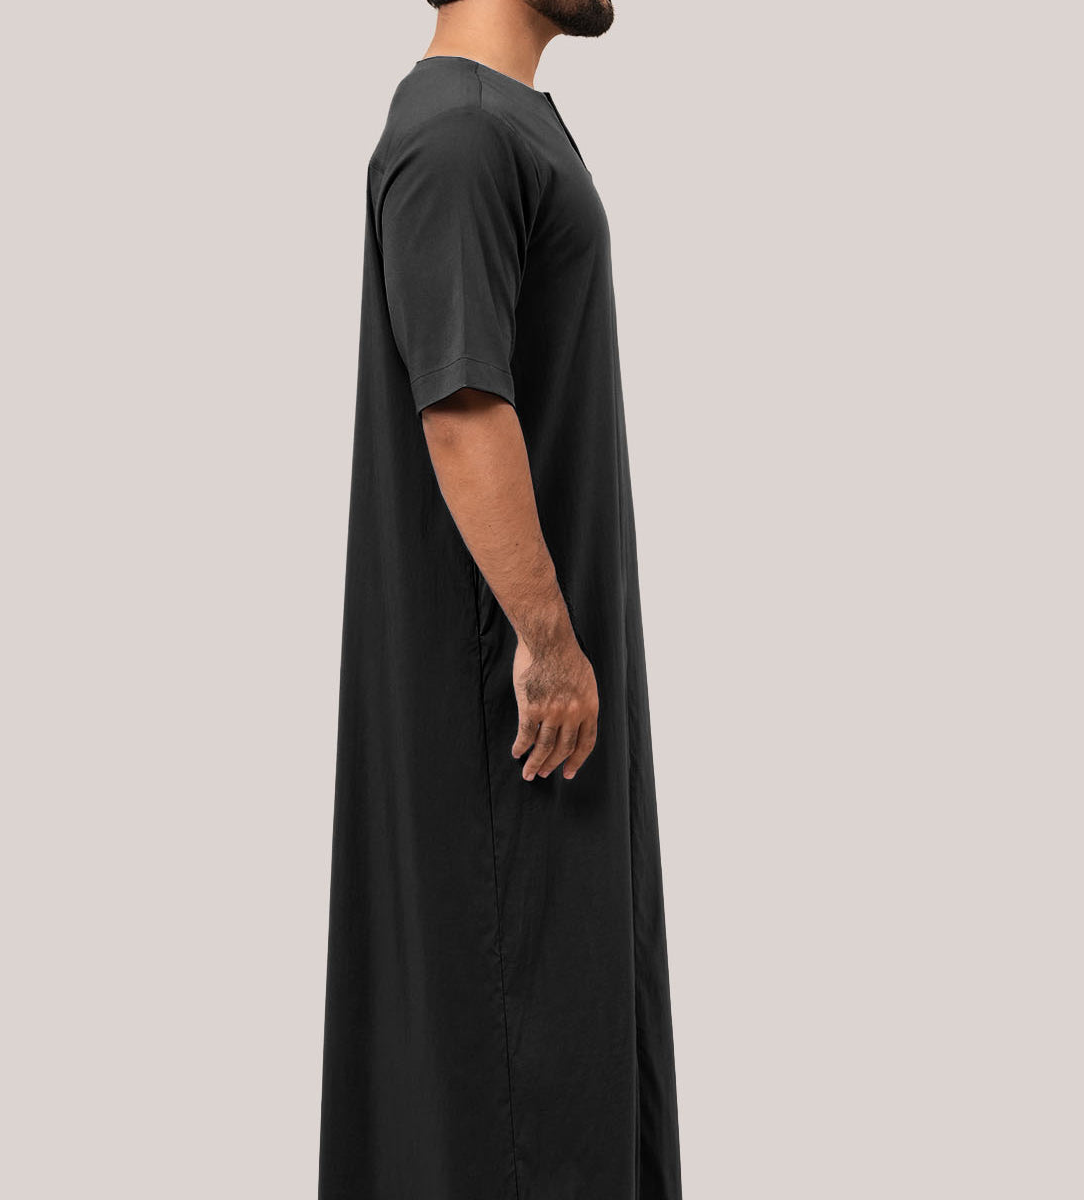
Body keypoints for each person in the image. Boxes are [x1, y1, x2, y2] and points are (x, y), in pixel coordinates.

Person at [319, 1, 683, 1196]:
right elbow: (463, 406)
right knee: (524, 1065)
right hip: (511, 717)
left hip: (538, 710)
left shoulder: (500, 123)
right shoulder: (461, 132)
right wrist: (547, 640)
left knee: (568, 1050)